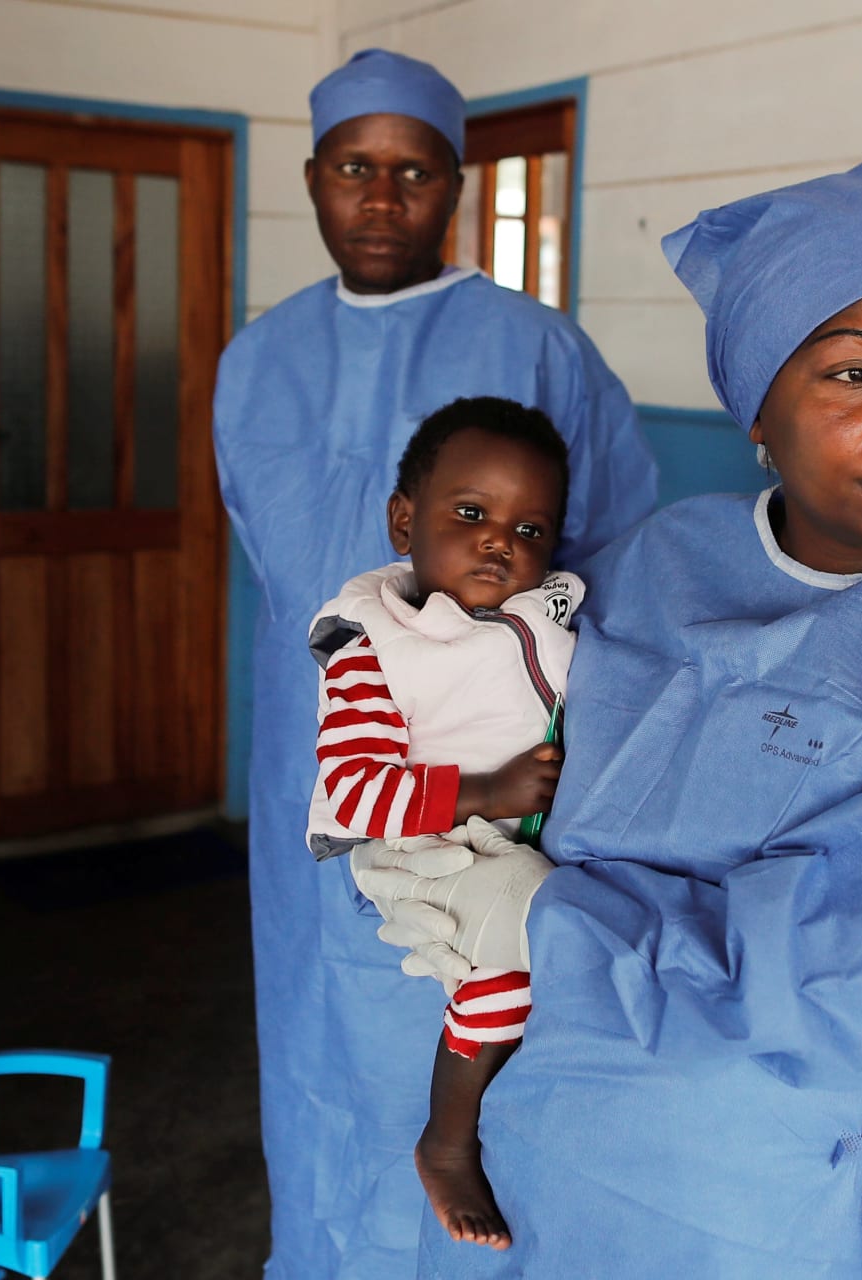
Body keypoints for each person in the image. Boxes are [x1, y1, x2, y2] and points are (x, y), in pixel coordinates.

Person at [353, 152, 862, 1279]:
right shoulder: (645, 570)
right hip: (549, 1169)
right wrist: (430, 846)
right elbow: (461, 708)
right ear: (759, 419)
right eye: (852, 373)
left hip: (788, 1211)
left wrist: (547, 926)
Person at [214, 48, 657, 1277]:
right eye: (355, 168)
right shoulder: (257, 360)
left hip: (492, 783)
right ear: (314, 178)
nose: (381, 198)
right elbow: (271, 561)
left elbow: (604, 572)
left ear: (453, 186)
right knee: (316, 1034)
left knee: (472, 1013)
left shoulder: (534, 350)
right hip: (310, 766)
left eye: (413, 173)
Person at [305, 397, 580, 1250]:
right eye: (471, 514)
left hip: (505, 832)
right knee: (515, 945)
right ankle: (449, 1139)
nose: (502, 541)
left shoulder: (546, 612)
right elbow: (350, 792)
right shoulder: (375, 649)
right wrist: (483, 793)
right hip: (424, 845)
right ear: (403, 521)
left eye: (531, 529)